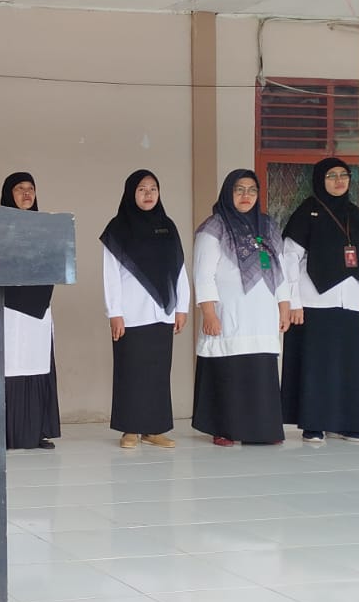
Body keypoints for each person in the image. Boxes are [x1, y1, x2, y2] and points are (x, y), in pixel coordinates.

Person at [279, 158, 359, 443]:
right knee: (317, 366)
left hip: (351, 301)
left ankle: (349, 422)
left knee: (350, 365)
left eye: (343, 175)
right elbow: (289, 259)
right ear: (319, 180)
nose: (338, 181)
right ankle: (313, 423)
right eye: (331, 176)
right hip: (314, 302)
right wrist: (293, 302)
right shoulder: (306, 213)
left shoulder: (356, 215)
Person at [192, 169, 290, 447]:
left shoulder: (267, 226)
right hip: (229, 311)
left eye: (251, 190)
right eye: (239, 189)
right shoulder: (215, 227)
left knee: (260, 369)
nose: (246, 196)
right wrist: (208, 312)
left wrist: (284, 305)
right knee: (229, 369)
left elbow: (280, 268)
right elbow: (203, 274)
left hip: (262, 312)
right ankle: (224, 428)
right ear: (227, 192)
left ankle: (262, 429)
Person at [101, 169, 190, 449]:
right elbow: (110, 275)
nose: (148, 194)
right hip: (130, 313)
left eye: (153, 188)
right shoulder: (117, 228)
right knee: (130, 370)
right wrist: (114, 312)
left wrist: (182, 306)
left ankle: (154, 429)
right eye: (142, 189)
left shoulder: (168, 226)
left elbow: (179, 269)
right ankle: (130, 429)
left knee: (158, 371)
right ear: (131, 193)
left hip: (162, 311)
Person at [0, 172, 60, 449]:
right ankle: (6, 433)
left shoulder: (47, 228)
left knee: (36, 364)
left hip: (39, 309)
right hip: (7, 309)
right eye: (20, 189)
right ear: (8, 194)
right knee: (9, 366)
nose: (26, 194)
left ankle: (36, 432)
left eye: (31, 189)